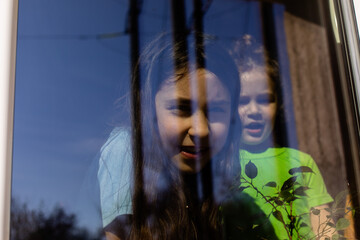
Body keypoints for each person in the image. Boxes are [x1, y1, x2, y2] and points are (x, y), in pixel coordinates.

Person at [98, 34, 277, 240]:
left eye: (216, 109)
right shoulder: (127, 147)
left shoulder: (213, 185)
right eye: (181, 108)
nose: (200, 130)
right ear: (146, 110)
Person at [233, 36, 334, 239]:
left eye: (265, 99)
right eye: (242, 100)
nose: (254, 110)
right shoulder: (220, 165)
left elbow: (325, 230)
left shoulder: (301, 162)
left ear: (279, 103)